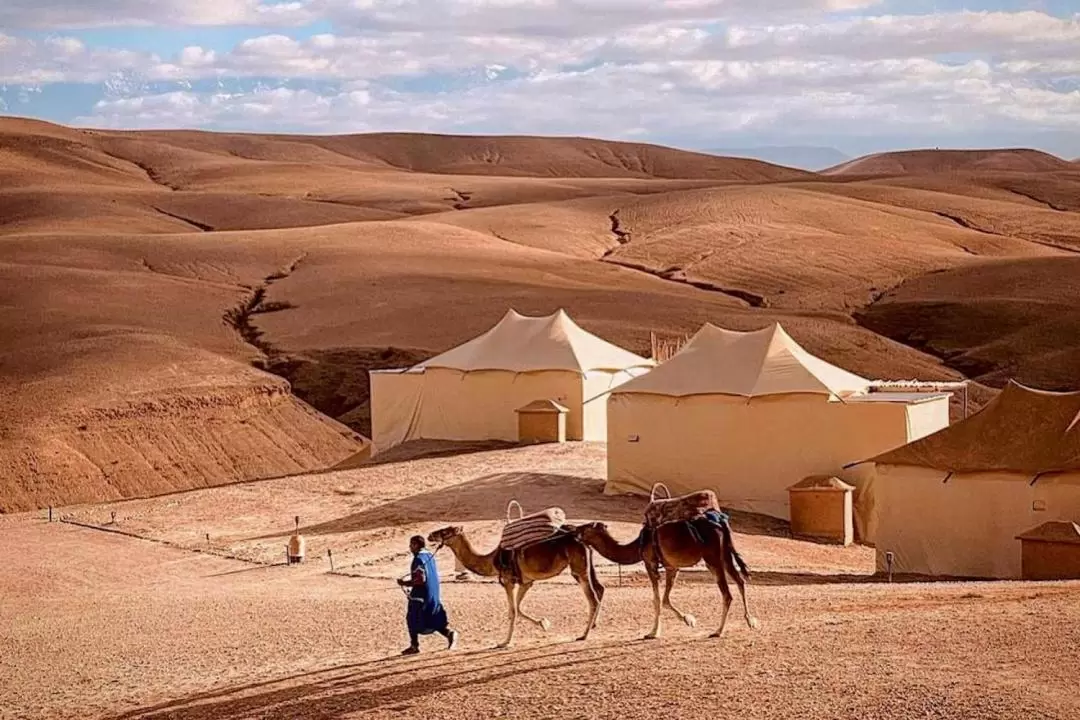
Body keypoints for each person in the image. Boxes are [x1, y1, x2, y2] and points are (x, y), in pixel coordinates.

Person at [397, 535, 458, 655]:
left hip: (421, 595)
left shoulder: (418, 559)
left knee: (412, 618)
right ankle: (449, 633)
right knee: (433, 617)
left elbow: (420, 579)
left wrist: (404, 583)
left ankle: (414, 646)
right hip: (433, 593)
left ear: (415, 545)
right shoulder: (429, 555)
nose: (410, 547)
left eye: (411, 545)